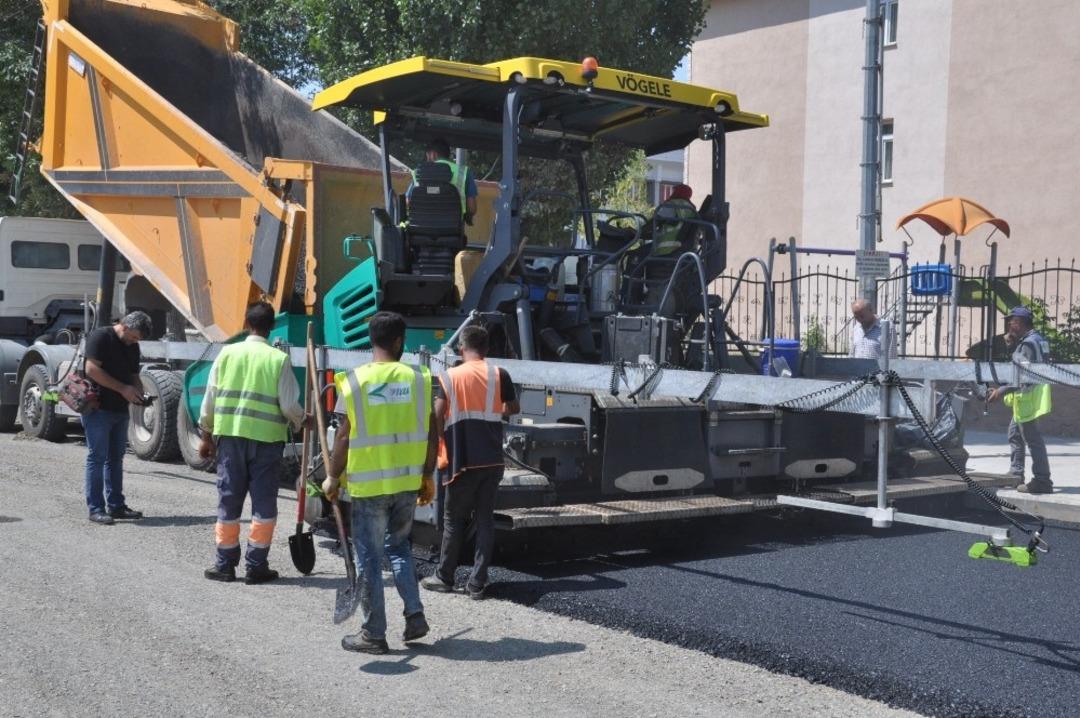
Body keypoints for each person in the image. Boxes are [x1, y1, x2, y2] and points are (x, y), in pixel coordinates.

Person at [322, 311, 438, 655]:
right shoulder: (419, 378)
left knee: (369, 558)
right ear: (399, 341)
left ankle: (374, 634)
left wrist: (332, 476)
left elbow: (343, 435)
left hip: (369, 487)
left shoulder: (356, 381)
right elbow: (433, 430)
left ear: (372, 340)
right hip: (406, 482)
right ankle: (414, 614)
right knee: (399, 547)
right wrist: (428, 474)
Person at [198, 302, 308, 584]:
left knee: (229, 501)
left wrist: (206, 434)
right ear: (272, 328)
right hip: (266, 443)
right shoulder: (277, 359)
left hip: (231, 440)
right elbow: (288, 404)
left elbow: (210, 398)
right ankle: (256, 566)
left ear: (246, 323)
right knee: (264, 504)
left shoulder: (227, 354)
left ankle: (225, 565)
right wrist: (301, 421)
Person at [421, 325, 520, 601]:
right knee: (485, 519)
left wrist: (440, 441)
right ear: (486, 349)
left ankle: (445, 577)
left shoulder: (450, 377)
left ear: (461, 348)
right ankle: (477, 583)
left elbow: (437, 414)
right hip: (491, 460)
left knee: (453, 519)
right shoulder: (500, 374)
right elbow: (514, 408)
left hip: (461, 459)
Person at [82, 310, 154, 525]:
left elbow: (133, 374)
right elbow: (91, 369)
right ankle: (95, 509)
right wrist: (123, 389)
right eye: (133, 337)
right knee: (97, 457)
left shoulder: (133, 346)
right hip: (98, 408)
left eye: (138, 340)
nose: (134, 342)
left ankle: (116, 506)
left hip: (120, 410)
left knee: (115, 459)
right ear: (124, 325)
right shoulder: (100, 337)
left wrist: (140, 393)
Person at [988, 306, 1053, 494]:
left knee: (1032, 439)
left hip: (1027, 397)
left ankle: (1042, 480)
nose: (1009, 324)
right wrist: (1012, 345)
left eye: (1012, 320)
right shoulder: (1038, 340)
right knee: (1015, 434)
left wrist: (1001, 391)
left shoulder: (1028, 344)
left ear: (1021, 322)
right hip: (1031, 395)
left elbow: (1022, 375)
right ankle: (1016, 474)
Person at [407, 137, 478, 223]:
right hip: (453, 230)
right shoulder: (464, 173)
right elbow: (472, 209)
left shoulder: (418, 173)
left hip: (420, 228)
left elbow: (408, 204)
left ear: (433, 154)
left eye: (427, 155)